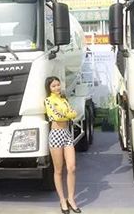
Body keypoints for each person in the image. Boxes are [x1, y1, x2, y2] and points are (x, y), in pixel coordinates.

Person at [44, 76, 81, 214]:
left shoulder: (64, 100)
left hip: (67, 134)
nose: (57, 88)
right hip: (55, 135)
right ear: (49, 88)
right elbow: (56, 116)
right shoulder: (48, 101)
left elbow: (74, 113)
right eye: (53, 86)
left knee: (71, 167)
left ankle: (71, 198)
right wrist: (67, 114)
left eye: (58, 85)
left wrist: (66, 114)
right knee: (58, 170)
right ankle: (62, 200)